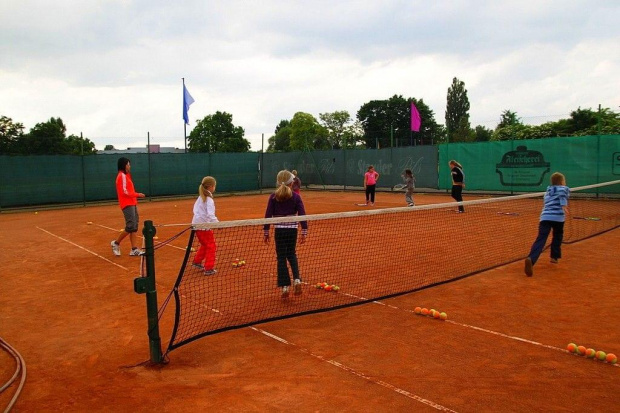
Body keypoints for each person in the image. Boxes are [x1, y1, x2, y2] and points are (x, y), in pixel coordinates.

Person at [263, 170, 308, 298]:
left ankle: (285, 287)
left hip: (280, 231)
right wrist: (304, 231)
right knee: (292, 254)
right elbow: (302, 214)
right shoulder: (296, 196)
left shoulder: (273, 197)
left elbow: (267, 215)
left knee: (281, 258)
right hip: (292, 230)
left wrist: (266, 232)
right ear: (291, 182)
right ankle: (297, 280)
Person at [524, 172, 570, 277]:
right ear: (562, 182)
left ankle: (531, 259)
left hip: (545, 217)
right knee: (557, 236)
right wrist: (564, 205)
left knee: (541, 239)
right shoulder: (564, 189)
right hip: (558, 218)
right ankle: (554, 257)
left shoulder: (547, 191)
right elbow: (563, 194)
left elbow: (547, 202)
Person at [111, 157, 146, 256]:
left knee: (134, 226)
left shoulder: (126, 176)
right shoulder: (121, 176)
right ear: (124, 165)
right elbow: (125, 192)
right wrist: (137, 194)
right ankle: (116, 243)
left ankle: (134, 249)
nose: (130, 166)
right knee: (130, 226)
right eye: (128, 164)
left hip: (132, 203)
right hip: (127, 204)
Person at [191, 176, 219, 276]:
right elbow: (210, 215)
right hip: (203, 227)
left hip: (197, 225)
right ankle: (209, 268)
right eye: (214, 185)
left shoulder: (201, 197)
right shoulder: (208, 199)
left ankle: (197, 262)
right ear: (211, 186)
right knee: (211, 246)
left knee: (205, 244)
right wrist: (218, 224)